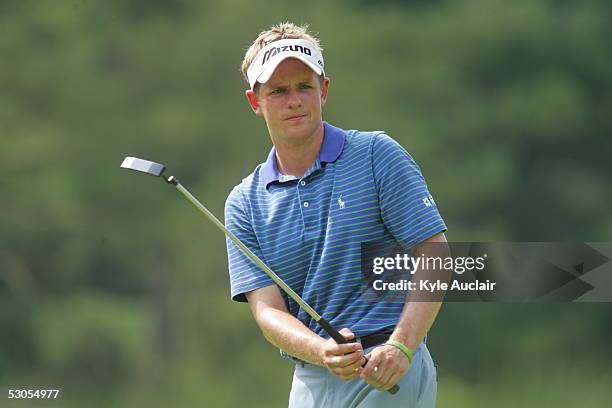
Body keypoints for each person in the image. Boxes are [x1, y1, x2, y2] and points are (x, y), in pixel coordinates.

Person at [225, 22, 448, 408]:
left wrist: (402, 346)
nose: (294, 100)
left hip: (389, 368)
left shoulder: (377, 155)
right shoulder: (244, 201)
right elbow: (268, 312)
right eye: (278, 91)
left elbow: (436, 255)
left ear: (323, 90)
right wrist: (319, 350)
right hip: (311, 378)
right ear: (255, 102)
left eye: (304, 87)